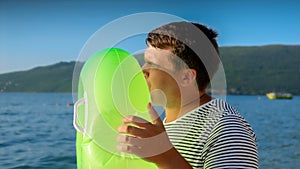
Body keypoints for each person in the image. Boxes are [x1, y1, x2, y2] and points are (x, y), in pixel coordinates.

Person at [117, 21, 258, 169]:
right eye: (145, 62)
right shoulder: (161, 127)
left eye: (152, 64)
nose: (142, 71)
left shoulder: (227, 130)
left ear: (186, 77)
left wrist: (166, 158)